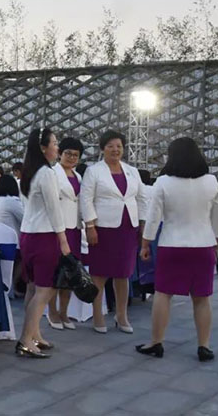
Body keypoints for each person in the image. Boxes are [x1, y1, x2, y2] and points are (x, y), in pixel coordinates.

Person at [135, 138, 218, 361]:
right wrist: (216, 245)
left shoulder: (163, 182)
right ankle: (204, 346)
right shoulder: (211, 182)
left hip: (171, 245)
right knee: (202, 298)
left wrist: (145, 244)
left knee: (163, 294)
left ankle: (156, 342)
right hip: (203, 245)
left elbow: (153, 217)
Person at [79, 129, 149, 334]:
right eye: (110, 146)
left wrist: (143, 224)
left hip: (128, 229)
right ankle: (98, 316)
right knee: (99, 274)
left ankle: (121, 315)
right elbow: (86, 199)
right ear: (103, 149)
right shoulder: (94, 171)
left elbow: (142, 198)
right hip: (103, 229)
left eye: (119, 146)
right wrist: (90, 226)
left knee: (123, 273)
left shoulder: (132, 171)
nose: (115, 150)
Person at [17, 127, 71, 358]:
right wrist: (63, 240)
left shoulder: (30, 172)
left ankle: (34, 334)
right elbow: (54, 208)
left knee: (33, 288)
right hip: (44, 236)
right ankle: (25, 339)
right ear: (43, 148)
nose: (57, 147)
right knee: (44, 290)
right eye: (54, 143)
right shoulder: (47, 173)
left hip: (29, 234)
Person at [46, 137, 84, 330]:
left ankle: (64, 312)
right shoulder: (52, 174)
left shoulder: (78, 177)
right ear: (60, 153)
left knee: (70, 272)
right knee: (55, 272)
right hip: (58, 228)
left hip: (75, 229)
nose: (71, 158)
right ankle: (52, 311)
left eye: (76, 155)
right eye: (68, 153)